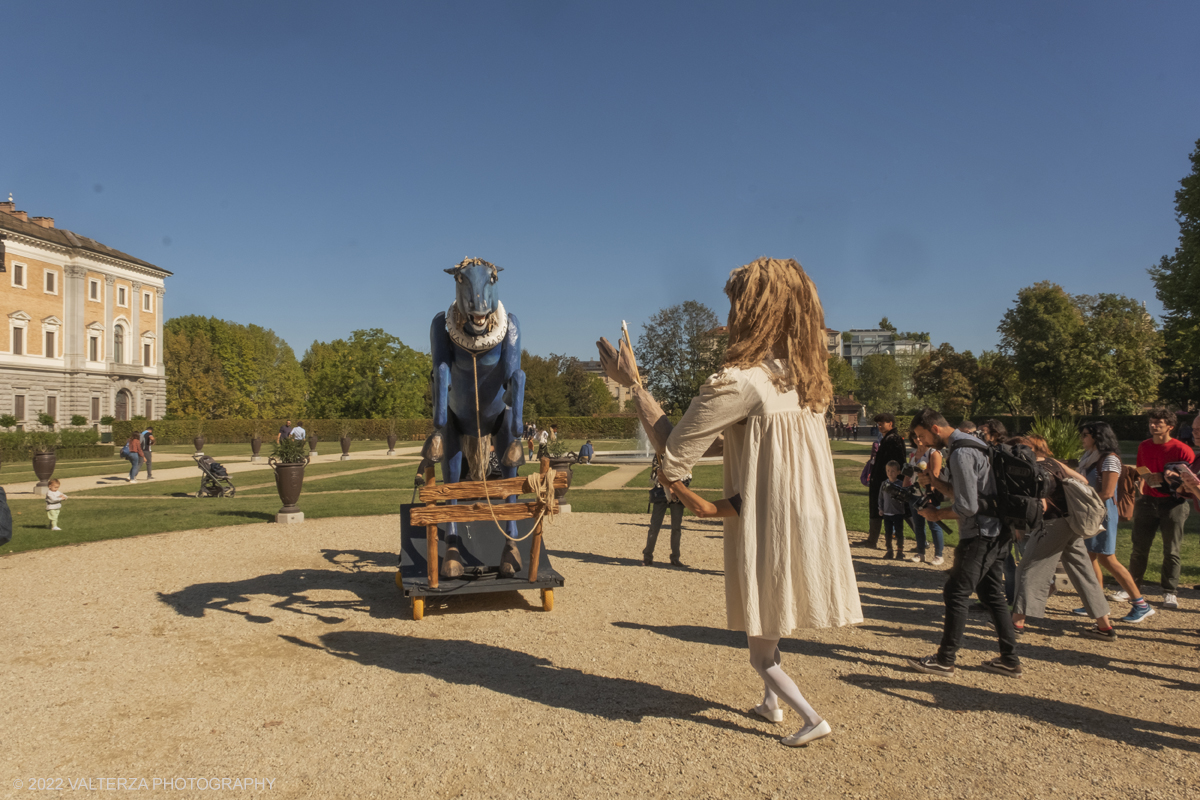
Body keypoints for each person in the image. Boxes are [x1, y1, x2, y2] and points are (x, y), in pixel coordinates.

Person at [652, 256, 862, 747]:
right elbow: (761, 445)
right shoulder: (804, 381)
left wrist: (670, 473)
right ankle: (770, 702)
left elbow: (679, 448)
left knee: (759, 646)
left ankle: (811, 718)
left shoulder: (741, 381)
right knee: (770, 609)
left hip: (769, 516)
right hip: (805, 511)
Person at [907, 408, 1021, 678]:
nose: (921, 442)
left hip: (981, 533)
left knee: (956, 592)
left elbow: (968, 507)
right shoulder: (973, 444)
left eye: (922, 435)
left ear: (935, 429)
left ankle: (945, 660)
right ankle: (1009, 659)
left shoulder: (960, 452)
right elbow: (966, 494)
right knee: (992, 595)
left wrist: (936, 515)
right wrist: (934, 482)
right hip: (997, 530)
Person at [1008, 436, 1118, 641]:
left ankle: (1016, 622)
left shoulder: (1029, 471)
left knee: (1029, 569)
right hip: (1072, 522)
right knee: (1083, 573)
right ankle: (1104, 626)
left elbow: (1042, 505)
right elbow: (1083, 481)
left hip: (1051, 524)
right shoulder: (1052, 462)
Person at [1076, 421, 1154, 623]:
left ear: (1098, 436)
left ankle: (1141, 604)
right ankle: (1095, 602)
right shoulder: (1089, 457)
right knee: (1090, 557)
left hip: (1102, 514)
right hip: (1091, 513)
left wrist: (1081, 500)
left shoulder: (1110, 459)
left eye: (1085, 435)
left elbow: (1107, 493)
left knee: (1108, 559)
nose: (1082, 438)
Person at [1129, 408, 1194, 610]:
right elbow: (1140, 469)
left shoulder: (1183, 450)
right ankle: (1131, 588)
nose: (1153, 425)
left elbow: (1191, 483)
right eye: (1151, 421)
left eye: (1158, 422)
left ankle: (1169, 592)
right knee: (1139, 548)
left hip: (1173, 504)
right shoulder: (1144, 446)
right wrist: (1139, 491)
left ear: (1170, 427)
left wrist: (1165, 478)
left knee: (1171, 550)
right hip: (1147, 501)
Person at [864, 413, 906, 550]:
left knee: (899, 510)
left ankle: (922, 542)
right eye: (879, 423)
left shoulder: (893, 439)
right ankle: (872, 540)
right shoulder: (887, 438)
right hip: (881, 481)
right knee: (879, 508)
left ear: (890, 424)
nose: (879, 426)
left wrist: (890, 480)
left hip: (887, 482)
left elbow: (896, 462)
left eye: (882, 423)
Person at [905, 432, 945, 565]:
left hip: (928, 495)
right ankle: (920, 552)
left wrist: (929, 495)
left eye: (921, 436)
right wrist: (905, 490)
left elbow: (935, 475)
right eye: (915, 437)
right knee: (918, 525)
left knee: (934, 524)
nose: (918, 439)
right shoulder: (913, 454)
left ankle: (939, 555)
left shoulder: (933, 453)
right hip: (914, 494)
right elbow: (908, 475)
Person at [643, 455, 687, 567]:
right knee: (654, 527)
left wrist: (675, 488)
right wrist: (668, 486)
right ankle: (647, 556)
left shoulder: (683, 453)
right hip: (661, 492)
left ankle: (675, 557)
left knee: (676, 528)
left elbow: (687, 474)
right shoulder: (659, 454)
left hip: (678, 493)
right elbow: (656, 473)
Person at [878, 461, 907, 559]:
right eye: (888, 470)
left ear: (898, 472)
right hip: (887, 513)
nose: (890, 473)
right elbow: (880, 498)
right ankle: (889, 551)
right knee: (888, 533)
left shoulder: (901, 484)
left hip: (898, 513)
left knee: (899, 533)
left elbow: (905, 498)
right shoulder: (884, 484)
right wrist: (880, 508)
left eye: (893, 471)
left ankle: (900, 551)